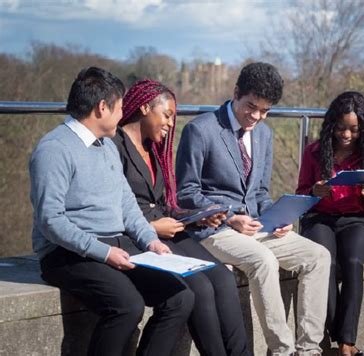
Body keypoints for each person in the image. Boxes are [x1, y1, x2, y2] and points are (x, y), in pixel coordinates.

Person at [29, 67, 194, 356]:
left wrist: (149, 240)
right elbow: (50, 220)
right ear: (101, 107)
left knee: (180, 297)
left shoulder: (106, 146)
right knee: (127, 306)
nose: (123, 114)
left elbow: (126, 203)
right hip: (66, 252)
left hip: (116, 241)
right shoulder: (54, 149)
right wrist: (104, 253)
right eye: (120, 107)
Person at [176, 62, 331, 356]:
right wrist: (231, 218)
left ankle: (309, 350)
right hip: (215, 229)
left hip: (259, 226)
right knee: (263, 261)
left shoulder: (264, 135)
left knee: (318, 256)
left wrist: (279, 216)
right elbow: (186, 193)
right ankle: (282, 350)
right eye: (251, 107)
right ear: (236, 92)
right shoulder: (200, 130)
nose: (256, 117)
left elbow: (259, 192)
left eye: (265, 111)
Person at [112, 79, 251, 356]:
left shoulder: (155, 150)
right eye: (166, 115)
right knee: (199, 286)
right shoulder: (114, 147)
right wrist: (151, 227)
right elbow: (110, 208)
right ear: (143, 108)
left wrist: (197, 217)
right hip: (138, 234)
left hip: (170, 227)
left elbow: (165, 203)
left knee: (222, 278)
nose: (170, 124)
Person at [296, 91, 364, 356]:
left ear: (363, 129)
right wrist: (313, 191)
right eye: (341, 127)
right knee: (327, 262)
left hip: (354, 220)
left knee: (354, 262)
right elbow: (299, 193)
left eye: (354, 130)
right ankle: (335, 333)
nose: (346, 135)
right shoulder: (314, 152)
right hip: (319, 218)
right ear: (332, 124)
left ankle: (347, 343)